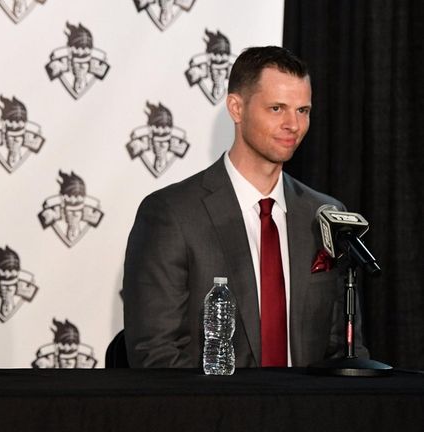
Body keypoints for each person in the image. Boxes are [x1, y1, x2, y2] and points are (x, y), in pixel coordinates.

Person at [123, 46, 369, 368]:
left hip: (309, 414)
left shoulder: (325, 214)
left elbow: (344, 351)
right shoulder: (171, 215)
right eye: (277, 108)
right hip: (211, 413)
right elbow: (155, 356)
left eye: (303, 111)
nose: (293, 125)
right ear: (236, 108)